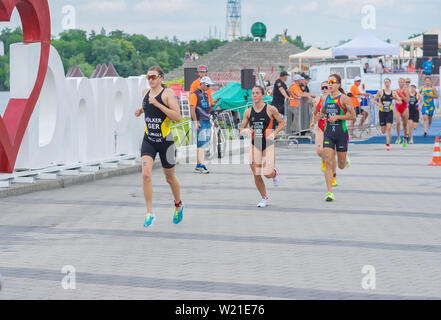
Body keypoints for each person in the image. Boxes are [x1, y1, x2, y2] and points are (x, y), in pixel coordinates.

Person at [134, 65, 184, 228]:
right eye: (148, 77)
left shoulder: (168, 94)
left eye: (153, 77)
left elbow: (177, 117)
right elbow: (147, 106)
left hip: (166, 141)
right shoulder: (145, 93)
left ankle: (178, 204)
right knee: (145, 175)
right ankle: (150, 213)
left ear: (161, 78)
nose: (150, 80)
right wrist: (141, 110)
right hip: (149, 140)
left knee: (169, 178)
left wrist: (158, 104)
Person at [240, 86, 286, 208]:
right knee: (256, 172)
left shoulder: (271, 109)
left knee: (267, 173)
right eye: (253, 93)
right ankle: (264, 197)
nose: (254, 95)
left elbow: (282, 123)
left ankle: (274, 173)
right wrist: (246, 131)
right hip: (255, 145)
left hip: (268, 145)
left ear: (262, 95)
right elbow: (241, 129)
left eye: (257, 93)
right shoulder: (248, 112)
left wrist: (274, 133)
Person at [320, 74, 356, 202]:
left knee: (341, 165)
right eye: (328, 82)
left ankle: (345, 159)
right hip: (328, 133)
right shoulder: (325, 98)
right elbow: (323, 112)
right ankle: (329, 192)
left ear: (338, 84)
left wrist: (338, 117)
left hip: (341, 133)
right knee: (328, 161)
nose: (329, 84)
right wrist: (321, 115)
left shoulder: (344, 98)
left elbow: (353, 116)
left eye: (332, 82)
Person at [310, 81, 338, 187]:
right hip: (321, 128)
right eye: (323, 88)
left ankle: (333, 176)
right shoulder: (317, 99)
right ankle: (323, 159)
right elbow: (314, 113)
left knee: (332, 155)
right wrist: (313, 122)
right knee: (319, 151)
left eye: (327, 87)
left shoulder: (336, 99)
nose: (325, 89)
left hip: (333, 128)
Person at [190, 76, 215, 174]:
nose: (209, 87)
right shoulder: (194, 95)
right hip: (200, 121)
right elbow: (192, 108)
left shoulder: (205, 95)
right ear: (203, 84)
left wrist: (212, 106)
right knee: (201, 144)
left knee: (204, 144)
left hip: (206, 120)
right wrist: (195, 122)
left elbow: (207, 109)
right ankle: (201, 165)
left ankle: (199, 165)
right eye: (208, 85)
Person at [373, 78, 397, 151]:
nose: (386, 83)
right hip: (382, 112)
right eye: (385, 82)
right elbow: (374, 100)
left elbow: (398, 99)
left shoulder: (393, 92)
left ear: (390, 83)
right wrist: (378, 104)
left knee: (389, 127)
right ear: (384, 83)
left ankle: (388, 144)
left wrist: (398, 100)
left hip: (389, 112)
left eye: (388, 82)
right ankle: (388, 132)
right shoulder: (380, 92)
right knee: (383, 131)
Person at [394, 78, 410, 146]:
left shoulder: (406, 90)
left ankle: (405, 138)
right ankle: (398, 137)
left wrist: (402, 95)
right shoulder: (396, 91)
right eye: (399, 82)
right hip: (397, 108)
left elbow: (407, 101)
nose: (400, 83)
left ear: (404, 83)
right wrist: (398, 101)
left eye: (402, 82)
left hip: (404, 108)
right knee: (397, 122)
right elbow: (395, 100)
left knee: (404, 124)